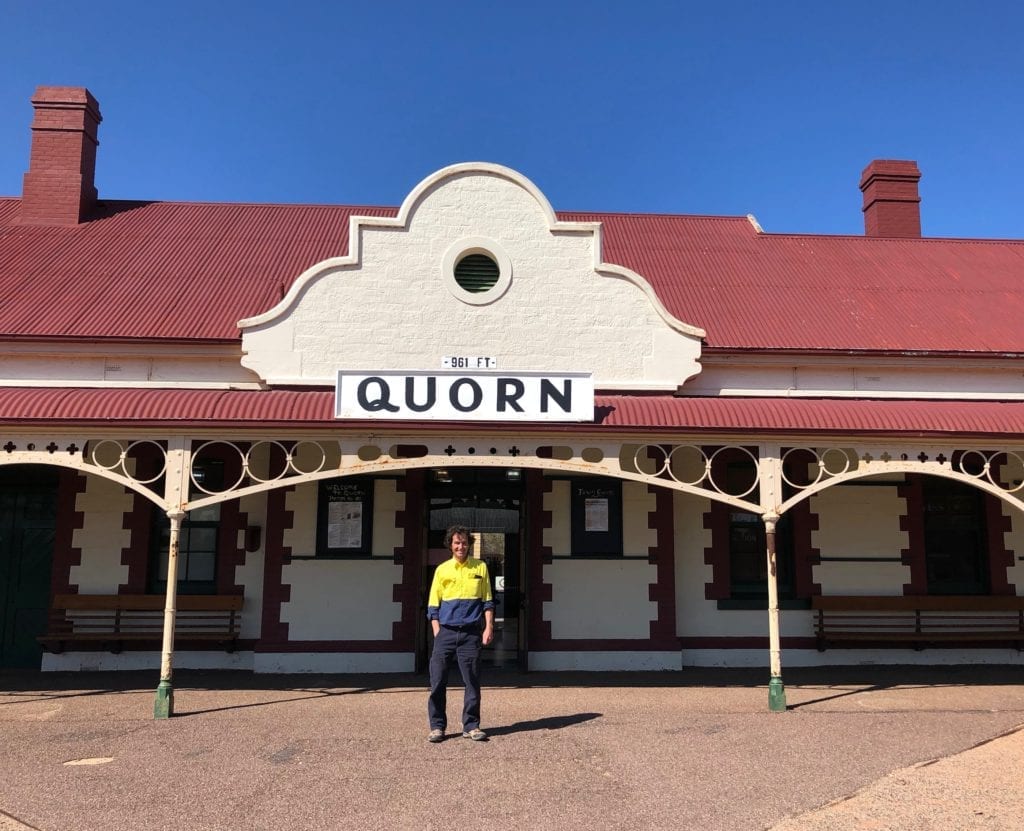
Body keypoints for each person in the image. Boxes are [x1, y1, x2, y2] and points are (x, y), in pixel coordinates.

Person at [426, 525, 494, 742]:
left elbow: (487, 602)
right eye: (456, 542)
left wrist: (489, 627)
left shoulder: (480, 567)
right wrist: (437, 630)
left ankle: (471, 726)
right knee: (437, 680)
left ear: (469, 544)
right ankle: (437, 727)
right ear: (450, 545)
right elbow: (433, 605)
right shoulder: (442, 570)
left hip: (471, 634)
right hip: (445, 632)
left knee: (472, 681)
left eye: (464, 542)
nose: (460, 546)